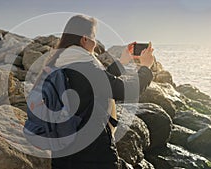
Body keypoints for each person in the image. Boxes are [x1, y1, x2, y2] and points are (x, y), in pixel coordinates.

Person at [43, 15, 154, 169]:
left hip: (64, 151)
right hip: (93, 153)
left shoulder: (59, 63)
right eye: (94, 37)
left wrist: (122, 62)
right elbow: (124, 90)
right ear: (84, 39)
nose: (95, 43)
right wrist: (146, 68)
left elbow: (96, 83)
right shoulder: (85, 66)